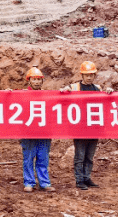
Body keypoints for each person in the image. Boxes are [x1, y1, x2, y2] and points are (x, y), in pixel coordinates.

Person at [60, 61, 112, 190]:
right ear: (82, 75)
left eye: (91, 75)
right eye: (86, 75)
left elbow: (106, 100)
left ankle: (87, 178)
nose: (89, 77)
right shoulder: (75, 87)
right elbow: (64, 92)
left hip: (94, 128)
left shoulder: (97, 89)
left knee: (89, 156)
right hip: (79, 129)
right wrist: (64, 90)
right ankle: (79, 180)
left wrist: (109, 91)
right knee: (80, 156)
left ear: (94, 75)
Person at [19, 67, 54, 193]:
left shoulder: (48, 96)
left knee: (43, 157)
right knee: (28, 158)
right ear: (29, 81)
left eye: (39, 79)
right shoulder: (21, 95)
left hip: (44, 132)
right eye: (34, 79)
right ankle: (29, 182)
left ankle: (44, 183)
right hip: (28, 133)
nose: (37, 82)